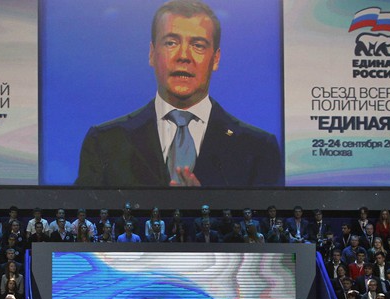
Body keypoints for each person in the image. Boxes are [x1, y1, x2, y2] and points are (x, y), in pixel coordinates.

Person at [75, 0, 283, 187]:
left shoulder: (258, 149)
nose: (183, 56)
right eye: (171, 43)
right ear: (152, 54)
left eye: (198, 45)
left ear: (215, 59)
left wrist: (203, 207)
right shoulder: (105, 142)